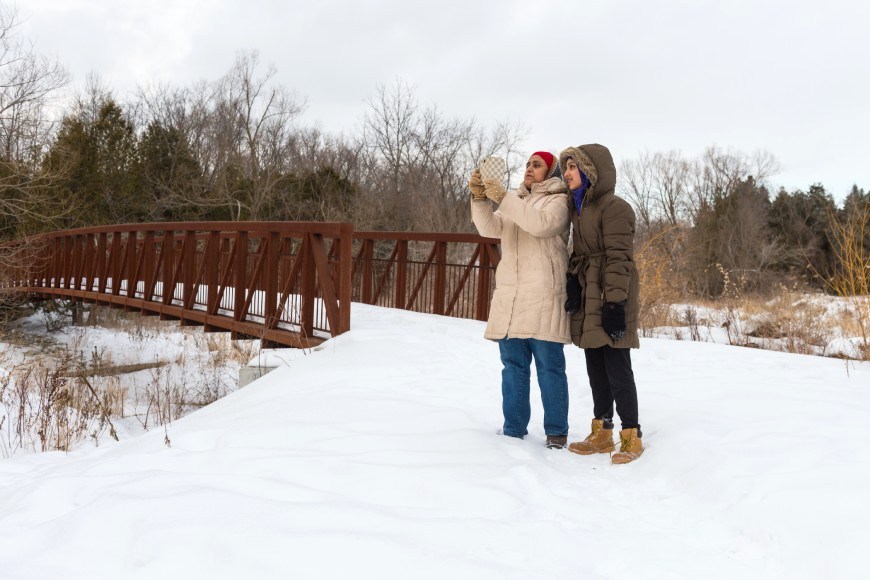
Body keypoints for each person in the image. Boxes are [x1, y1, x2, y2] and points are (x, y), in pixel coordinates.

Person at [469, 152, 572, 449]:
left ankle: (556, 432)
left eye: (536, 165)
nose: (529, 168)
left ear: (550, 173)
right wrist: (480, 198)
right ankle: (513, 428)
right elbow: (490, 228)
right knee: (513, 367)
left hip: (543, 297)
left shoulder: (558, 201)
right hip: (512, 297)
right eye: (527, 164)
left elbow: (540, 225)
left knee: (549, 368)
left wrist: (503, 196)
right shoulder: (516, 200)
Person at [559, 144, 644, 464]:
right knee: (595, 362)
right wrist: (572, 280)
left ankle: (631, 435)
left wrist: (616, 304)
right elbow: (580, 253)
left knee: (617, 365)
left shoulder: (615, 208)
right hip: (588, 287)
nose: (566, 174)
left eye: (571, 167)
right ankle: (602, 431)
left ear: (589, 171)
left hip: (611, 291)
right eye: (565, 168)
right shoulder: (578, 207)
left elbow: (620, 260)